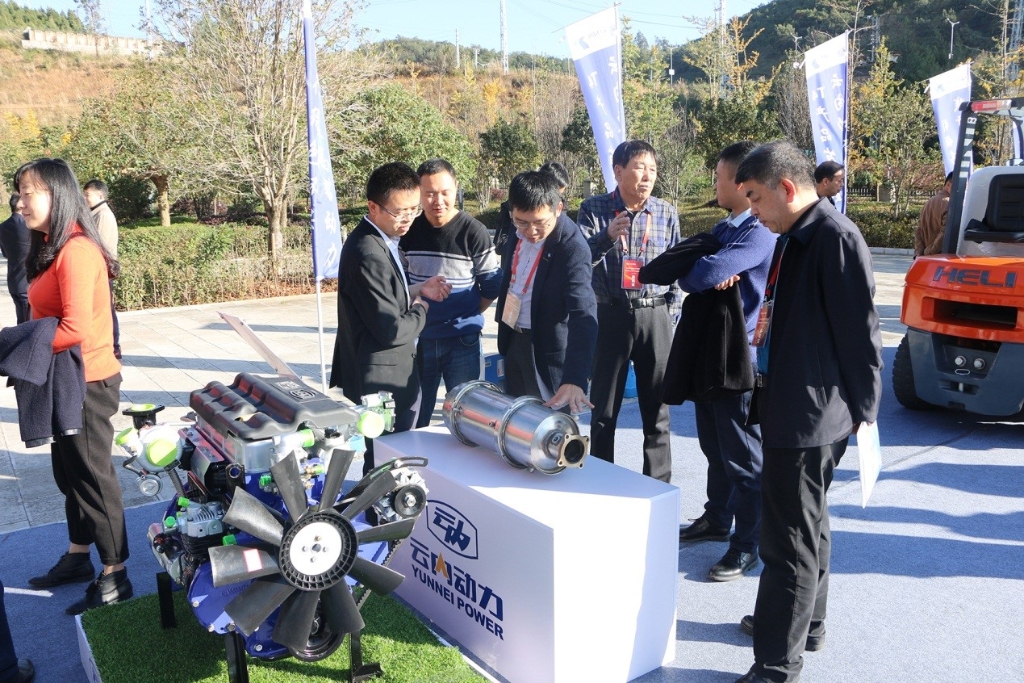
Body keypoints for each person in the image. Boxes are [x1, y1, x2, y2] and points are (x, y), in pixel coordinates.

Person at [733, 141, 882, 683]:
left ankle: (777, 664)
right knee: (808, 524)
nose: (752, 210)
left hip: (810, 413)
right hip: (794, 402)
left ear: (786, 188)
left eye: (755, 197)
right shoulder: (797, 235)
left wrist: (866, 409)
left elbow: (860, 331)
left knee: (787, 542)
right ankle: (805, 624)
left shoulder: (833, 237)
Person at [17, 159, 132, 616]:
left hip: (87, 381)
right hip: (62, 378)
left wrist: (18, 346)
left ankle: (116, 573)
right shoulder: (51, 246)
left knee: (93, 478)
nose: (20, 202)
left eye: (28, 192)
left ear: (57, 194)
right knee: (69, 476)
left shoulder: (78, 250)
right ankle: (79, 555)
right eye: (19, 193)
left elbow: (76, 328)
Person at [676, 141, 776, 582]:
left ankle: (746, 544)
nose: (714, 183)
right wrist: (700, 267)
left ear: (740, 184)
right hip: (711, 354)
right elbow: (682, 269)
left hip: (740, 359)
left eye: (718, 177)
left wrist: (704, 267)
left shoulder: (757, 232)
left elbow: (704, 273)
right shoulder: (724, 228)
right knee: (715, 448)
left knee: (743, 459)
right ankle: (717, 519)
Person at [330, 162, 451, 475]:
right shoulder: (369, 252)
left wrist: (416, 289)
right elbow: (391, 329)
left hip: (380, 371)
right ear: (373, 207)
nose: (408, 219)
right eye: (400, 212)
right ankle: (381, 506)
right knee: (388, 462)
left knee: (387, 459)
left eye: (414, 209)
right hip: (383, 380)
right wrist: (422, 306)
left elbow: (381, 298)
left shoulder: (379, 239)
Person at [577, 140, 681, 483]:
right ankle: (601, 482)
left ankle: (657, 487)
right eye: (639, 168)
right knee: (604, 411)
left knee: (658, 412)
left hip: (655, 315)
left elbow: (677, 267)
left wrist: (670, 315)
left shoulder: (665, 212)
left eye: (652, 169)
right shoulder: (594, 208)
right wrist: (607, 236)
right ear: (618, 171)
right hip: (610, 315)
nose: (647, 176)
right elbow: (580, 262)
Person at [400, 158, 502, 426]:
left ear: (456, 188)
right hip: (419, 338)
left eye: (445, 192)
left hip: (462, 340)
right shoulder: (408, 232)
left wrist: (467, 312)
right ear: (418, 192)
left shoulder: (474, 232)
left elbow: (492, 284)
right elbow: (398, 283)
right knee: (415, 416)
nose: (438, 201)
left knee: (465, 418)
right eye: (429, 193)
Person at [495, 170, 597, 412]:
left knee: (549, 425)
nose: (531, 231)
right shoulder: (517, 232)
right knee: (515, 420)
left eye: (540, 223)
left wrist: (575, 378)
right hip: (514, 339)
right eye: (521, 222)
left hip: (545, 349)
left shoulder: (572, 248)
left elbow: (584, 314)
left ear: (558, 208)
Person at [493, 161, 569, 256]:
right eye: (522, 222)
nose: (554, 200)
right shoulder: (513, 207)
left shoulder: (560, 208)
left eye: (559, 195)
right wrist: (524, 246)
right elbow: (499, 244)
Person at [83, 179, 121, 359]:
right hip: (99, 271)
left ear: (100, 195)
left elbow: (99, 247)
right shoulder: (96, 213)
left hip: (102, 271)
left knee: (107, 310)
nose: (85, 198)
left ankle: (114, 347)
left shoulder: (103, 215)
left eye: (87, 195)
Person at [0, 193, 31, 324]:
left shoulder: (2, 227)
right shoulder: (28, 226)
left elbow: (5, 253)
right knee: (29, 324)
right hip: (28, 281)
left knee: (21, 321)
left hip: (13, 280)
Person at [915, 171, 953, 258]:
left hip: (927, 257)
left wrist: (919, 253)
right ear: (948, 184)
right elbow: (945, 234)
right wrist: (928, 252)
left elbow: (918, 230)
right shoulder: (950, 204)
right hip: (940, 256)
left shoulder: (929, 201)